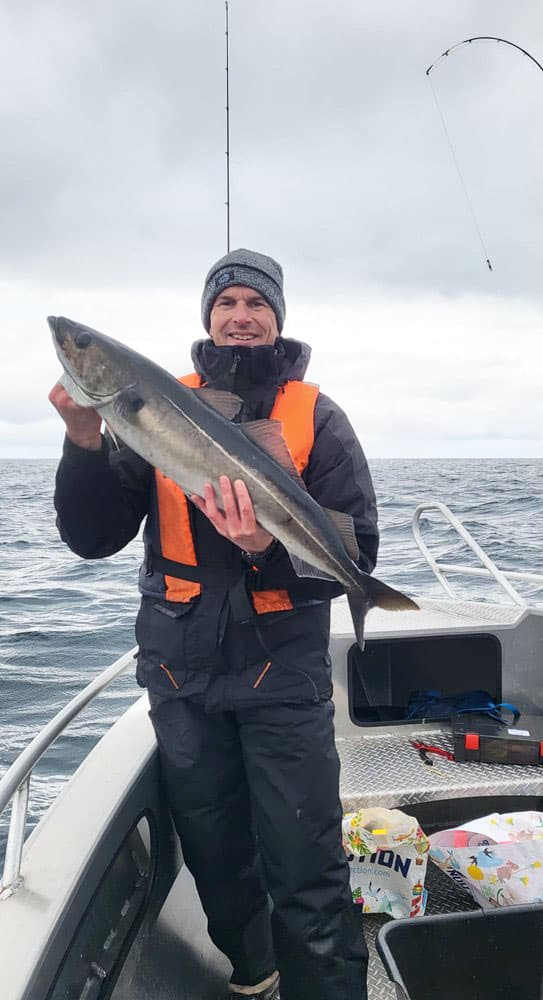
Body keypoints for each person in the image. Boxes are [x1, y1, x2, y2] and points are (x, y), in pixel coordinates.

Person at [49, 248, 379, 1000]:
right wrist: (83, 441)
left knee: (305, 862)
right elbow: (92, 537)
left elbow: (358, 544)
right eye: (224, 303)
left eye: (254, 304)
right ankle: (254, 974)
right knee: (215, 854)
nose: (239, 316)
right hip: (180, 674)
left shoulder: (316, 416)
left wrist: (265, 547)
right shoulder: (146, 406)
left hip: (281, 677)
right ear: (207, 318)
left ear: (276, 318)